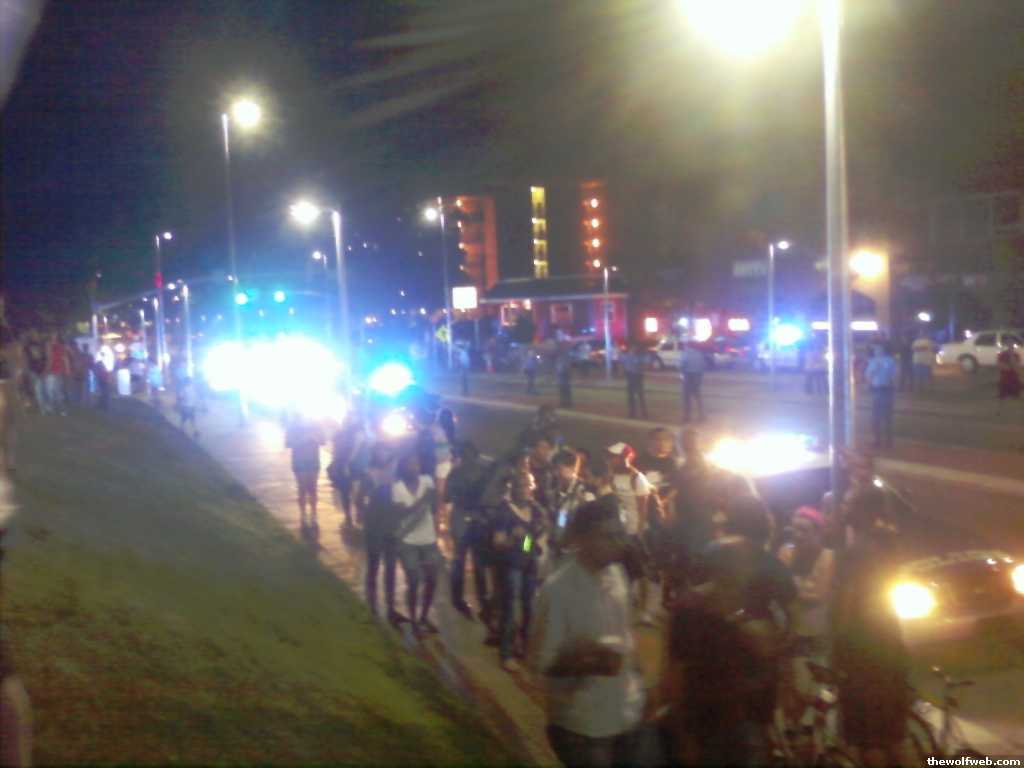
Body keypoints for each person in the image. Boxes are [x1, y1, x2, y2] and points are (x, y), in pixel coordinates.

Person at [527, 501, 645, 768]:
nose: (618, 543)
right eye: (608, 536)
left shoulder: (617, 574)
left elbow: (625, 636)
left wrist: (638, 683)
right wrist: (587, 661)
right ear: (582, 539)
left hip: (624, 712)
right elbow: (541, 663)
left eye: (619, 534)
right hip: (583, 727)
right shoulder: (557, 591)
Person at [659, 536, 777, 766]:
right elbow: (675, 671)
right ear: (723, 567)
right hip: (704, 719)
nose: (749, 568)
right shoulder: (691, 607)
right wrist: (683, 734)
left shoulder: (746, 602)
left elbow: (765, 650)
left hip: (744, 717)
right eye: (743, 561)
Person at [832, 486, 910, 767]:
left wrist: (837, 647)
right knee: (891, 734)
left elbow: (846, 604)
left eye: (848, 503)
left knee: (869, 738)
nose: (843, 508)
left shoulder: (854, 553)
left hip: (862, 649)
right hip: (889, 642)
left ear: (862, 510)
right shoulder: (889, 544)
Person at [776, 506, 835, 726]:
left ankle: (812, 728)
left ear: (818, 533)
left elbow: (820, 593)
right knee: (795, 685)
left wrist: (793, 591)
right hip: (792, 631)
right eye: (795, 529)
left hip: (819, 633)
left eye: (804, 530)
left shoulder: (829, 557)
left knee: (817, 687)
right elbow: (779, 588)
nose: (798, 534)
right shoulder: (786, 552)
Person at [491, 472, 546, 671]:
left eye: (529, 485)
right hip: (511, 566)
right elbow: (497, 543)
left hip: (528, 564)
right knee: (511, 609)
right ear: (513, 488)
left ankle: (525, 647)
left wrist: (530, 540)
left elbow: (529, 540)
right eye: (523, 486)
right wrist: (513, 539)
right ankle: (506, 653)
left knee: (529, 608)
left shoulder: (534, 509)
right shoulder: (504, 512)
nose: (527, 490)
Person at [392, 450, 441, 637]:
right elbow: (401, 513)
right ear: (403, 467)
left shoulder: (427, 481)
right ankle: (413, 620)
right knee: (413, 581)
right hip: (408, 542)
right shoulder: (397, 488)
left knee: (432, 580)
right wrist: (422, 501)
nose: (415, 467)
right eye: (410, 464)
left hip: (428, 539)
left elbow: (435, 505)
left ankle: (424, 617)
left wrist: (434, 499)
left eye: (417, 463)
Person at [605, 442, 655, 625]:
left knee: (642, 573)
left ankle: (644, 611)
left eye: (615, 456)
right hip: (620, 530)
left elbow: (643, 510)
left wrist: (639, 533)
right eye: (610, 456)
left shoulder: (638, 479)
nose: (611, 459)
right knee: (621, 571)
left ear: (626, 457)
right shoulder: (613, 476)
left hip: (635, 532)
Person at [445, 441, 491, 619]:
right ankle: (482, 601)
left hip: (462, 518)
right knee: (476, 562)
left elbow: (447, 497)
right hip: (474, 518)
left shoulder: (456, 473)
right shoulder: (482, 472)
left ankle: (459, 600)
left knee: (461, 561)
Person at [358, 441, 403, 623]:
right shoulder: (370, 474)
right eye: (380, 451)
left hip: (391, 526)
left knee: (390, 567)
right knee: (374, 566)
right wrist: (366, 515)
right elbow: (359, 499)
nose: (383, 454)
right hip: (375, 526)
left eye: (386, 450)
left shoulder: (396, 472)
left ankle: (391, 607)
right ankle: (372, 604)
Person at [548, 448, 595, 567]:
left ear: (573, 468)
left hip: (575, 554)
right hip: (554, 549)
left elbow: (590, 525)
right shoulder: (552, 490)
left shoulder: (585, 493)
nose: (555, 473)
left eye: (559, 469)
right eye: (554, 469)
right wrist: (526, 549)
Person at [285, 414, 325, 528]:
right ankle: (303, 514)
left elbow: (323, 441)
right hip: (299, 461)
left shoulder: (316, 426)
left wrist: (315, 438)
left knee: (313, 488)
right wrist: (303, 440)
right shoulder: (293, 427)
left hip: (313, 460)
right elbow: (288, 443)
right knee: (302, 488)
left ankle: (314, 514)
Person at [865, 342, 898, 448]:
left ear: (881, 350)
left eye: (877, 349)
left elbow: (869, 376)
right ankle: (884, 441)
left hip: (882, 390)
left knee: (880, 417)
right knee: (883, 417)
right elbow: (895, 376)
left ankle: (882, 441)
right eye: (875, 349)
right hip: (883, 390)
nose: (876, 351)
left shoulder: (878, 361)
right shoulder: (888, 361)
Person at [679, 341, 706, 423]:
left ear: (688, 346)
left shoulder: (686, 353)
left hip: (688, 375)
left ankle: (687, 416)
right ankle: (701, 415)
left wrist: (681, 372)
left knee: (686, 397)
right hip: (698, 375)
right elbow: (703, 365)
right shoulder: (699, 353)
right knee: (697, 395)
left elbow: (682, 364)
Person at [622, 343, 648, 419]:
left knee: (640, 395)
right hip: (631, 376)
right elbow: (623, 364)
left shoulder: (639, 356)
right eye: (633, 348)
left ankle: (643, 413)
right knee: (631, 396)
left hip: (637, 376)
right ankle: (633, 413)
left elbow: (645, 364)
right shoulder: (627, 356)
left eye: (635, 348)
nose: (634, 349)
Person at [22, 331, 46, 414]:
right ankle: (42, 407)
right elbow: (25, 359)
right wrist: (25, 369)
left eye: (37, 335)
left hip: (40, 369)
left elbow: (43, 357)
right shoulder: (28, 346)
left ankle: (43, 405)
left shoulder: (40, 345)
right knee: (38, 389)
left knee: (40, 388)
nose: (37, 336)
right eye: (35, 335)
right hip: (33, 370)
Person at [996, 345, 1022, 415]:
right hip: (1005, 379)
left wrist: (1012, 363)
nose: (1011, 349)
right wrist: (1011, 366)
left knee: (1018, 395)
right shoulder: (1002, 355)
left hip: (1014, 379)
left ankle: (1020, 410)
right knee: (1002, 397)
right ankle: (999, 411)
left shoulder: (1016, 355)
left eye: (1012, 347)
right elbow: (1002, 366)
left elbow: (1017, 367)